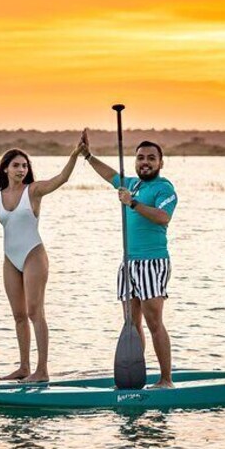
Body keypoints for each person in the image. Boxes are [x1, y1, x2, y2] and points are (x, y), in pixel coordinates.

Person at [0, 132, 87, 383]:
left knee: (35, 312)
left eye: (24, 165)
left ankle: (42, 370)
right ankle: (23, 367)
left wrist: (75, 154)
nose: (21, 169)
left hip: (34, 255)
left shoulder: (34, 191)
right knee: (19, 315)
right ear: (6, 169)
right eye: (16, 165)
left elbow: (61, 179)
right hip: (10, 259)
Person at [80, 133, 178, 388]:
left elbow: (162, 217)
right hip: (128, 262)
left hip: (152, 262)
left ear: (160, 162)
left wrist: (132, 203)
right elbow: (109, 174)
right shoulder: (132, 184)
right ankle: (135, 377)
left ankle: (166, 380)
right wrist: (88, 156)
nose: (145, 162)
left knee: (154, 321)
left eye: (151, 158)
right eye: (141, 158)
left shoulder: (164, 188)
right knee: (132, 323)